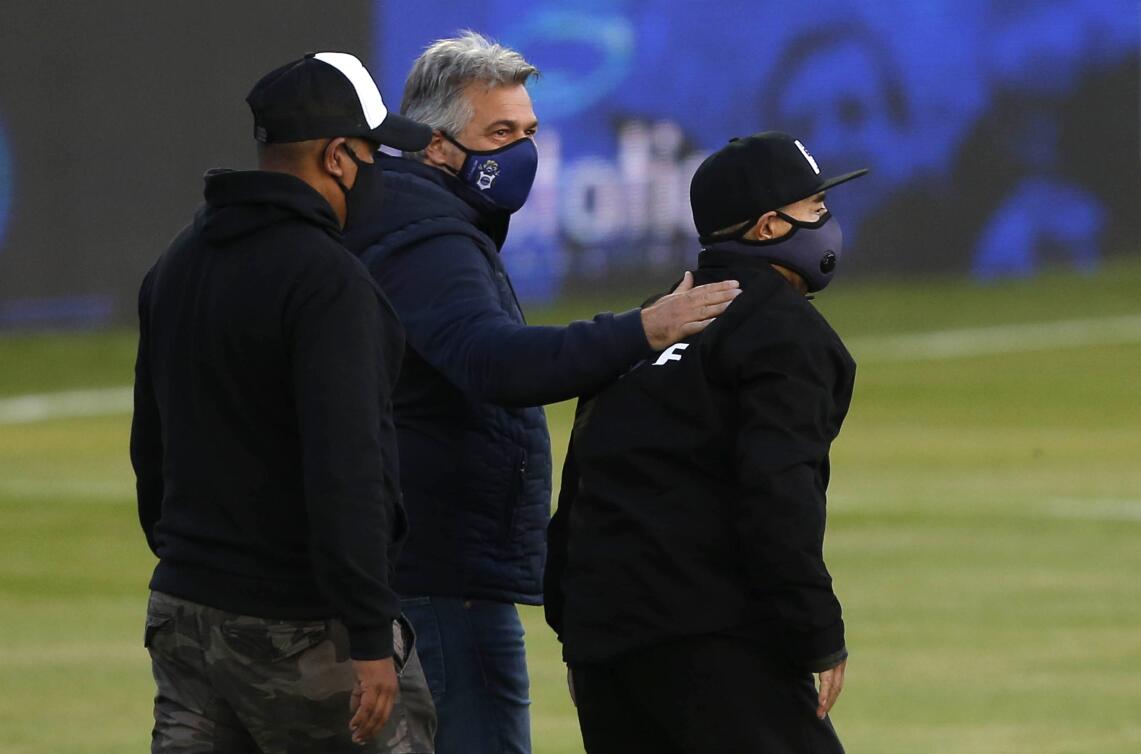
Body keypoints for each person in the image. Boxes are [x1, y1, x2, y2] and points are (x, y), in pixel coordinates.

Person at [342, 32, 741, 754]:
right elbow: (494, 362)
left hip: (431, 567)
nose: (521, 150)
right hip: (441, 577)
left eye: (528, 131)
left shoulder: (425, 221)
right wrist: (642, 331)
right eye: (500, 133)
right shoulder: (427, 239)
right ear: (436, 147)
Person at [131, 52, 437, 753]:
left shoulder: (177, 262)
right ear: (337, 156)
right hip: (301, 623)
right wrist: (367, 632)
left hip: (184, 607)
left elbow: (151, 449)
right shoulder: (329, 282)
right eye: (373, 152)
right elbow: (350, 468)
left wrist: (192, 563)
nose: (381, 173)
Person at [544, 131, 868, 754]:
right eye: (815, 207)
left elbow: (582, 479)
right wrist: (817, 631)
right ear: (770, 227)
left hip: (606, 647)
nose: (827, 219)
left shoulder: (650, 319)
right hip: (716, 644)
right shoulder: (782, 330)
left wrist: (581, 637)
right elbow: (779, 494)